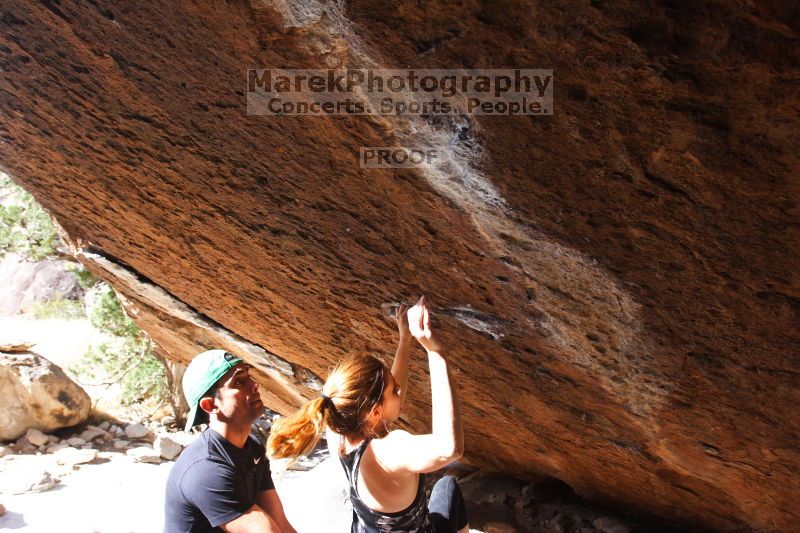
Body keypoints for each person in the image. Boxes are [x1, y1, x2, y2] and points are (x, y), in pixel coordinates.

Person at [268, 296, 469, 533]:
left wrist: (405, 341)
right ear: (375, 412)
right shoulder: (388, 452)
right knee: (447, 488)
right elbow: (448, 449)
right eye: (394, 390)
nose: (400, 392)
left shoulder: (338, 430)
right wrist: (435, 351)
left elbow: (389, 404)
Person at [164, 349, 296, 533]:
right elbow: (264, 529)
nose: (255, 385)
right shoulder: (206, 470)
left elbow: (280, 523)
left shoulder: (253, 449)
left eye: (249, 377)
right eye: (239, 382)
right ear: (210, 405)